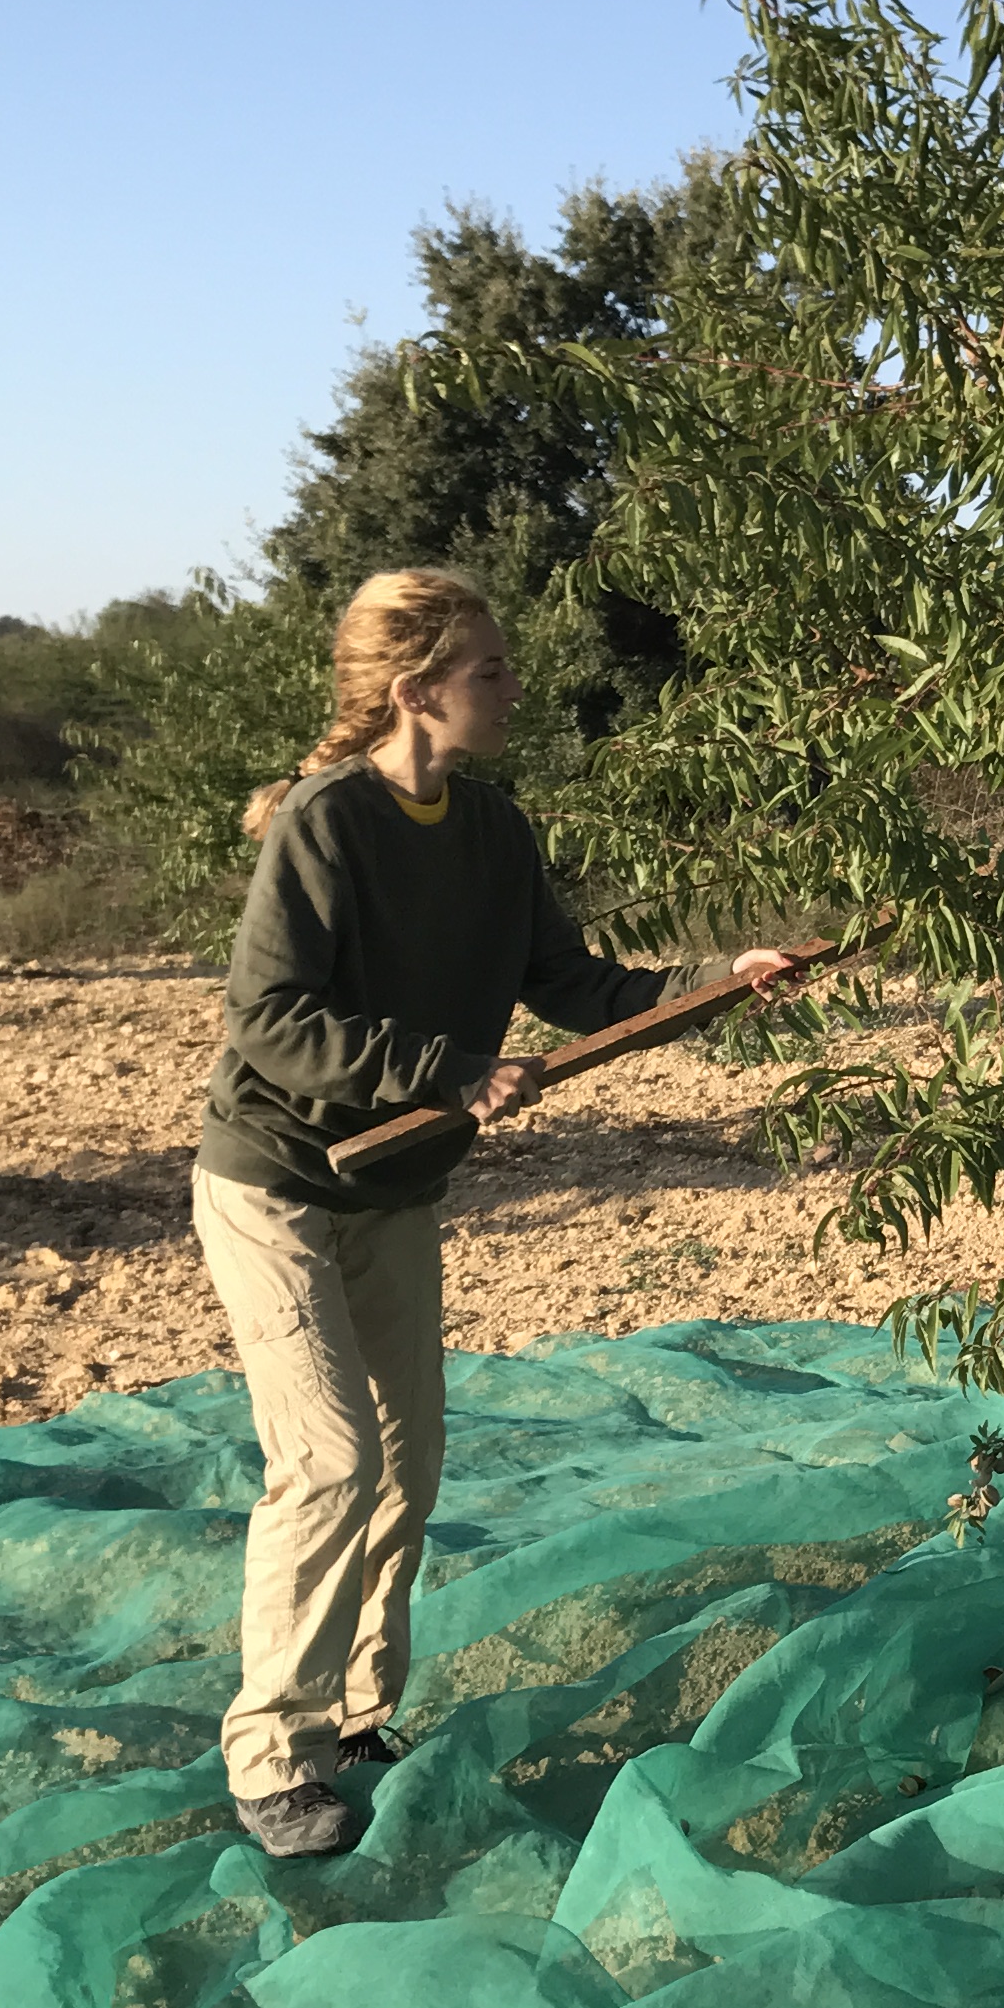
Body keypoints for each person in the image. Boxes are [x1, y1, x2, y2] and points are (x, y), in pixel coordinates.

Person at [195, 567, 776, 1859]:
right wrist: (449, 1071)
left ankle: (355, 1718)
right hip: (280, 1182)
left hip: (395, 1189)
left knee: (406, 1465)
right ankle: (270, 1756)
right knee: (329, 1460)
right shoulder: (324, 826)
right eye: (490, 672)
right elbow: (271, 1021)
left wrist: (714, 984)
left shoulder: (495, 831)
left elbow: (571, 984)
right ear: (415, 692)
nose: (512, 691)